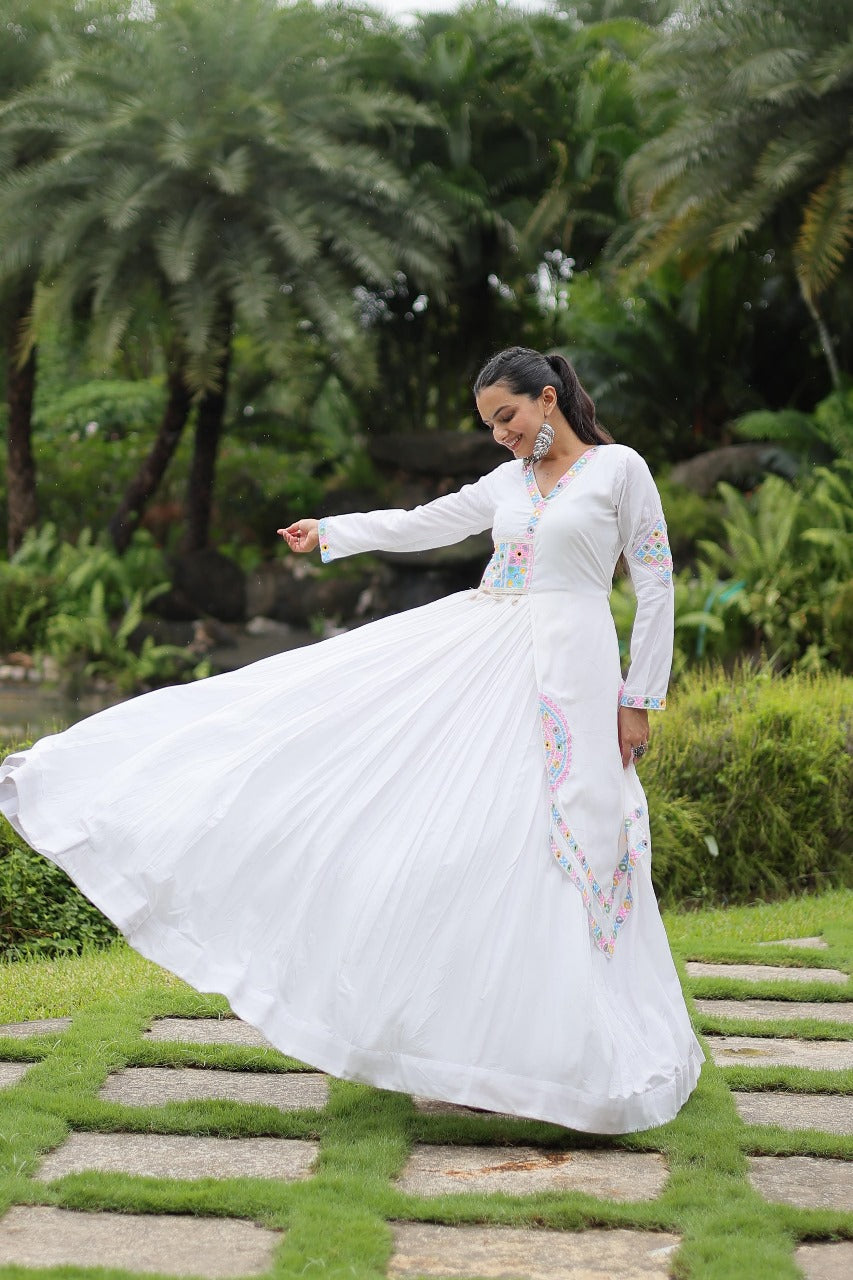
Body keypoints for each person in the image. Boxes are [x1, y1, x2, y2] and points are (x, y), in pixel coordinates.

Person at [0, 346, 703, 1133]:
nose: (498, 435)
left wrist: (639, 699)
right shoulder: (505, 483)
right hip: (484, 664)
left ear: (547, 399)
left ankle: (577, 1056)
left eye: (505, 417)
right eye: (487, 425)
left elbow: (655, 583)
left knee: (575, 845)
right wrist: (331, 531)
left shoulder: (619, 471)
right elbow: (423, 522)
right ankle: (482, 1056)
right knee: (474, 842)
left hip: (575, 673)